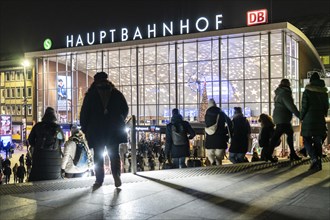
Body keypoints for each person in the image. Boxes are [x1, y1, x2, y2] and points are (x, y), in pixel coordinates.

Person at [80, 71, 128, 187]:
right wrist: (119, 120)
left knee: (98, 155)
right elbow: (125, 109)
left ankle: (99, 180)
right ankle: (116, 176)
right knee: (114, 154)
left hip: (97, 132)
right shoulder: (116, 93)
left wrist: (85, 129)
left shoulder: (91, 95)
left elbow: (84, 114)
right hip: (113, 131)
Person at [301, 72, 329, 171]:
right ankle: (319, 162)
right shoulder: (324, 92)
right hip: (320, 118)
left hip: (309, 118)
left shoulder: (307, 91)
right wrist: (324, 114)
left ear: (311, 81)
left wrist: (301, 116)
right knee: (318, 140)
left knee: (306, 138)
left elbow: (304, 106)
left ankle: (314, 159)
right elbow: (326, 106)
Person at [268, 79, 301, 162]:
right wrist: (300, 115)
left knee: (286, 134)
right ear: (287, 85)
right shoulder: (285, 94)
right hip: (283, 118)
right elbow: (291, 106)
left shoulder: (279, 93)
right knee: (281, 135)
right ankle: (268, 154)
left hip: (280, 117)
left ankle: (292, 153)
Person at [28, 107, 65, 181]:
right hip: (55, 172)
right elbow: (62, 141)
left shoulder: (38, 126)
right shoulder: (57, 129)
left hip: (38, 164)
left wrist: (37, 146)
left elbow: (30, 140)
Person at [204, 99, 232, 165]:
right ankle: (219, 169)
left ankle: (213, 163)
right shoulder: (221, 113)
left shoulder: (206, 115)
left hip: (210, 139)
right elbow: (229, 123)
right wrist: (224, 130)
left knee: (210, 156)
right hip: (220, 139)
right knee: (219, 159)